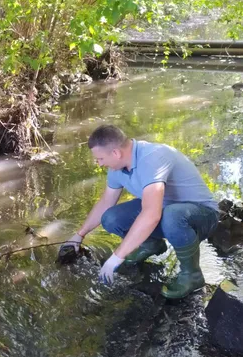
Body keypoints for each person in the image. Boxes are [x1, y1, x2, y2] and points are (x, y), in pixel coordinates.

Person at [60, 124, 219, 299]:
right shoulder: (116, 168)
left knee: (172, 216)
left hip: (201, 215)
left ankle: (192, 275)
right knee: (111, 218)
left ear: (116, 153)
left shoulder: (152, 158)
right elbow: (106, 202)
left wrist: (117, 256)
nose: (99, 164)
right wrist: (79, 235)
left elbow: (152, 214)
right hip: (166, 212)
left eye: (100, 158)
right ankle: (150, 244)